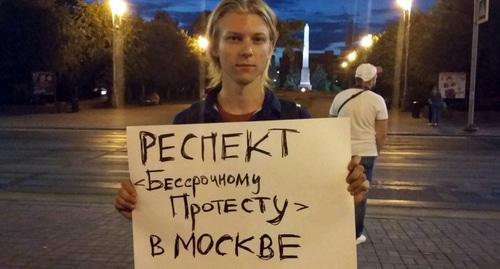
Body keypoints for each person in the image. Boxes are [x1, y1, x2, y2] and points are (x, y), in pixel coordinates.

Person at [115, 0, 369, 238]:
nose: (247, 50)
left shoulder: (299, 122)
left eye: (258, 39)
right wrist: (141, 207)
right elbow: (174, 213)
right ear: (214, 45)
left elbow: (314, 208)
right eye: (234, 38)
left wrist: (346, 194)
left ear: (271, 47)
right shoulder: (186, 125)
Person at [328, 63, 388, 245]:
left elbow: (332, 127)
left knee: (339, 191)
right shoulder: (377, 100)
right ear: (371, 80)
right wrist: (377, 150)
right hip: (366, 153)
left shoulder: (340, 97)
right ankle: (355, 234)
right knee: (360, 194)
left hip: (342, 151)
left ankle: (336, 228)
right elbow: (382, 133)